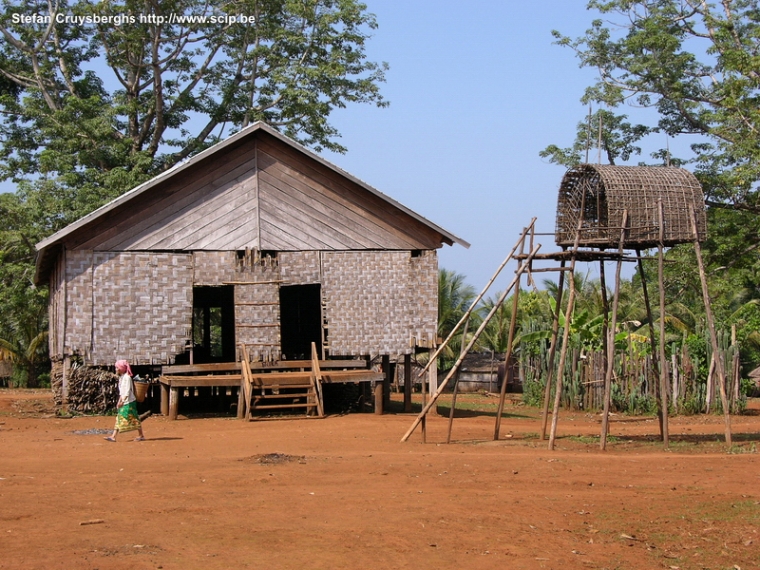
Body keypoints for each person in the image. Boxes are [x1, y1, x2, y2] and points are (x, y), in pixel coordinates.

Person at [104, 359, 145, 442]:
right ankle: (113, 436)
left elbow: (126, 392)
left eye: (117, 368)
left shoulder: (127, 378)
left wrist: (122, 401)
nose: (115, 369)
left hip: (129, 402)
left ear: (121, 369)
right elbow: (121, 392)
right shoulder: (122, 378)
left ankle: (141, 435)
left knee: (132, 417)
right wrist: (119, 401)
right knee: (121, 417)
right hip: (124, 401)